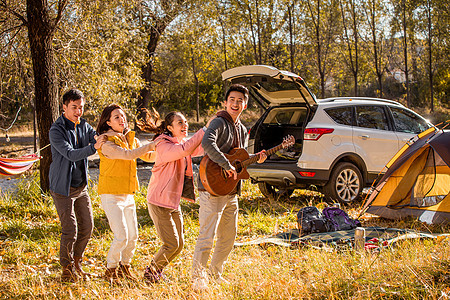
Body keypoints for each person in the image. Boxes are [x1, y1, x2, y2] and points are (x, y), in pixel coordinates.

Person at [191, 84, 267, 290]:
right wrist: (226, 165)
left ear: (245, 104)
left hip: (231, 189)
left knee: (229, 235)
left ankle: (215, 272)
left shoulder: (242, 129)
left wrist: (255, 159)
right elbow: (208, 143)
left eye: (240, 100)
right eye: (232, 99)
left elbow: (239, 159)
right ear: (226, 102)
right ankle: (197, 278)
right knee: (207, 234)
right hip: (212, 187)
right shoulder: (218, 122)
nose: (235, 103)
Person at [137, 110, 206, 284]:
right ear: (169, 127)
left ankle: (156, 271)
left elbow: (199, 147)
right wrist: (204, 129)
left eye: (185, 122)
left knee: (179, 244)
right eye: (180, 123)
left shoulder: (181, 143)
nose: (185, 125)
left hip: (173, 202)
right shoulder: (163, 145)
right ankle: (150, 272)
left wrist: (215, 131)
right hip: (159, 202)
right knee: (171, 245)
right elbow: (185, 149)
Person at [49, 88, 106, 282]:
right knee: (70, 229)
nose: (78, 111)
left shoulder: (83, 125)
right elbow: (71, 154)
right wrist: (93, 147)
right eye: (74, 107)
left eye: (81, 107)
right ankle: (66, 268)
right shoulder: (57, 130)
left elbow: (96, 136)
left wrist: (105, 137)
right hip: (62, 188)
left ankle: (76, 263)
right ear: (64, 107)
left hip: (81, 187)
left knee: (88, 226)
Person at [96, 104, 156, 283]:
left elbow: (149, 156)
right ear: (108, 122)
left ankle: (125, 267)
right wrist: (150, 145)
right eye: (116, 117)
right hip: (110, 195)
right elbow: (128, 155)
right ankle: (110, 269)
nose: (122, 120)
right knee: (121, 236)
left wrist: (166, 149)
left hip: (128, 194)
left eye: (123, 116)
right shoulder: (105, 143)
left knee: (133, 236)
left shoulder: (130, 138)